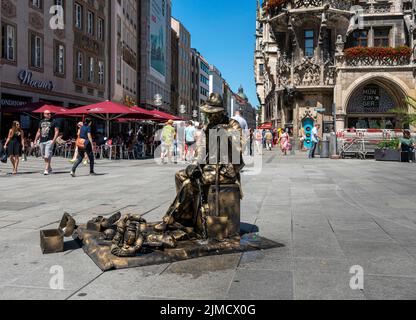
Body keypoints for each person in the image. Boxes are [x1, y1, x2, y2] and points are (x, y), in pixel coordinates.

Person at [154, 93, 244, 234]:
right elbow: (202, 149)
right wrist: (195, 164)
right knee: (180, 175)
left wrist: (224, 135)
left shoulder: (233, 125)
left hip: (226, 169)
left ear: (220, 112)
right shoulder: (208, 127)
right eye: (208, 114)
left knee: (190, 183)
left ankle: (172, 219)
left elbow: (238, 152)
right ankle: (187, 215)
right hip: (209, 167)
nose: (209, 116)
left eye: (212, 113)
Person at [34, 110, 59, 175]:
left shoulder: (54, 121)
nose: (49, 114)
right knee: (43, 155)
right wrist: (35, 140)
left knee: (47, 155)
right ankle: (49, 168)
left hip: (49, 140)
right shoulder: (41, 122)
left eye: (50, 113)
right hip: (42, 141)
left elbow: (56, 131)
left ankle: (46, 169)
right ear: (44, 114)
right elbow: (39, 131)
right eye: (48, 114)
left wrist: (54, 140)